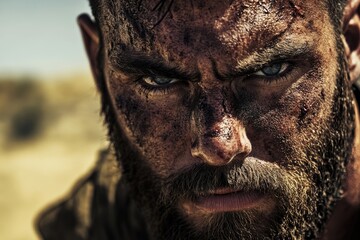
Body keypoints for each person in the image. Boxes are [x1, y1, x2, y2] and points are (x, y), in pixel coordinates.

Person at [36, 0, 360, 239]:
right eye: (158, 81)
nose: (219, 148)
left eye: (269, 71)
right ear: (98, 63)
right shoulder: (107, 211)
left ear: (350, 43)